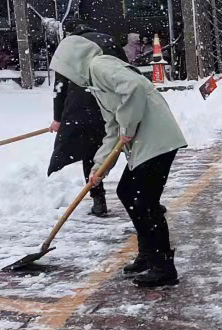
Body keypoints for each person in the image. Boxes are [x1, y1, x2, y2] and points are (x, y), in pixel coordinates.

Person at [50, 34, 188, 288]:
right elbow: (113, 128)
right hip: (145, 143)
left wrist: (128, 124)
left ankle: (163, 267)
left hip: (157, 138)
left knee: (144, 201)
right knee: (128, 193)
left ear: (73, 61)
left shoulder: (100, 65)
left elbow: (133, 88)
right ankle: (148, 256)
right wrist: (98, 168)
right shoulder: (94, 82)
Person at [48, 24, 128, 218]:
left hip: (82, 106)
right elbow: (127, 71)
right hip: (113, 100)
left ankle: (98, 200)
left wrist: (58, 118)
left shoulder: (70, 47)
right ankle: (148, 198)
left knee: (90, 150)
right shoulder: (109, 40)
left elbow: (60, 86)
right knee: (130, 145)